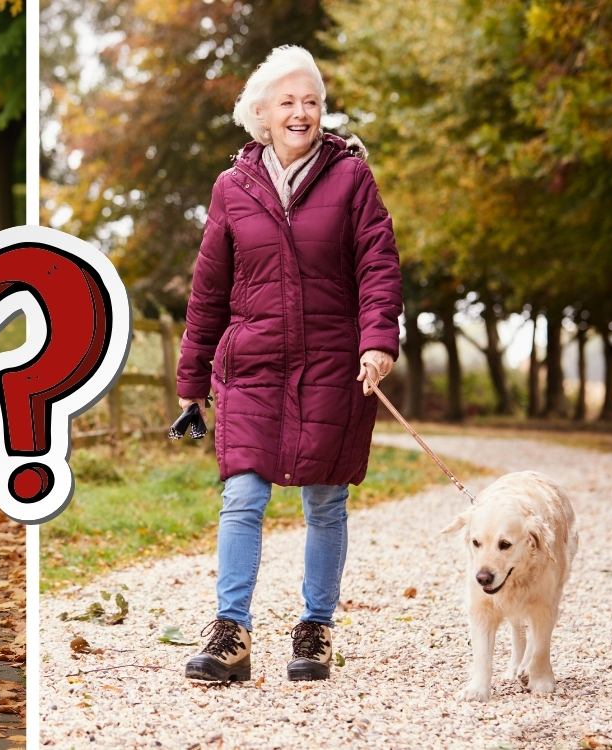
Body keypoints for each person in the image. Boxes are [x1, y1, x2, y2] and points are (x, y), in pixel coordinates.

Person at [176, 45, 402, 683]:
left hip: (334, 360)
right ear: (262, 115)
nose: (301, 112)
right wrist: (192, 381)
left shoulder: (352, 178)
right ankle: (231, 632)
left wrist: (378, 339)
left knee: (325, 498)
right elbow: (208, 291)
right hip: (251, 364)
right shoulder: (232, 188)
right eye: (288, 102)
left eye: (312, 102)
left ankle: (315, 628)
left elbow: (378, 263)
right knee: (243, 494)